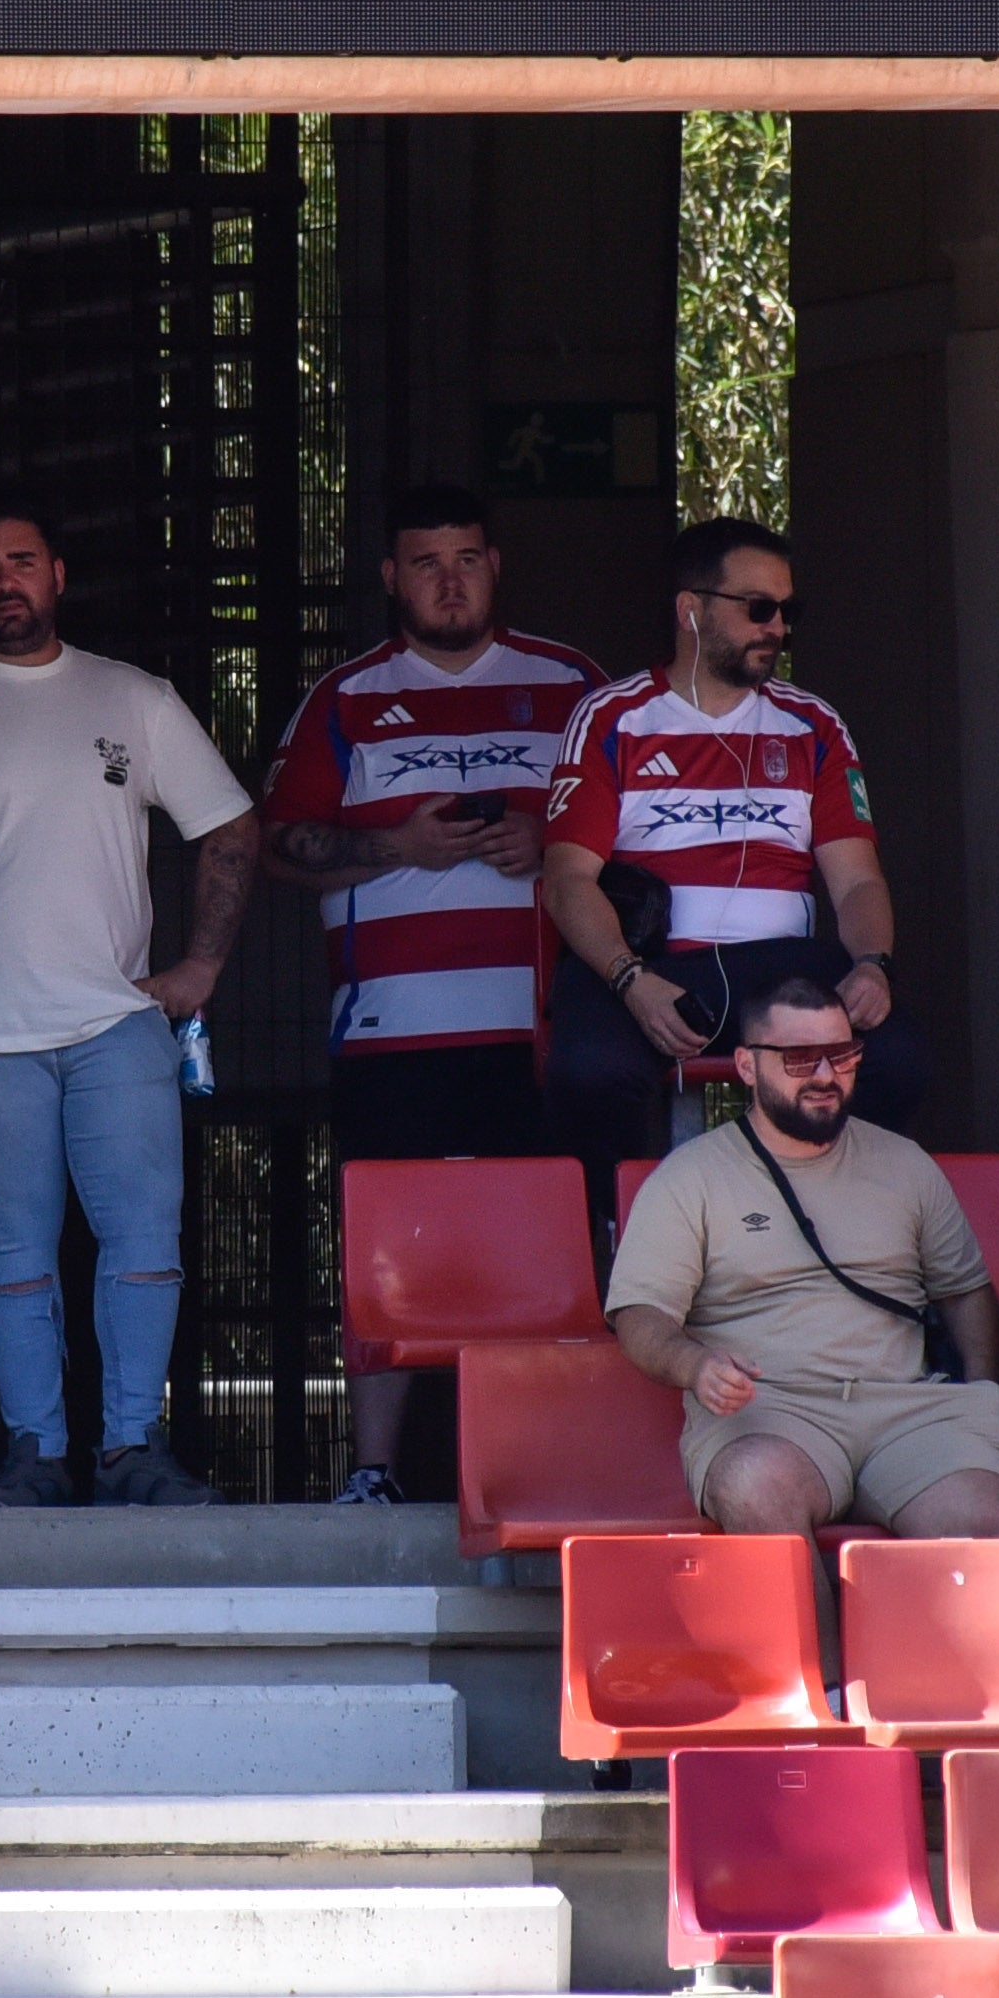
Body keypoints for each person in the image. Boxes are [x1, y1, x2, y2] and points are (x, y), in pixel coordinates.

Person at [0, 487, 261, 1508]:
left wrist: (198, 969)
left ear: (57, 577)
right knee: (10, 1253)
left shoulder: (131, 697)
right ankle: (32, 1453)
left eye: (24, 561)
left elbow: (228, 824)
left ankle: (131, 1449)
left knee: (142, 1241)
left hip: (115, 1023)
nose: (7, 579)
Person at [263, 483, 596, 1504]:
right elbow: (281, 844)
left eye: (464, 558)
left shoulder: (573, 685)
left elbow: (638, 830)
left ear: (494, 565)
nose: (447, 581)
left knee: (543, 1246)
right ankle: (372, 1470)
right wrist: (392, 844)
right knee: (388, 1245)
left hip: (542, 1028)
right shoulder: (346, 696)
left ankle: (541, 1468)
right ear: (388, 578)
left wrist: (548, 840)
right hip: (390, 1032)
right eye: (423, 562)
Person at [605, 970, 999, 1682]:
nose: (825, 1074)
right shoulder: (690, 1177)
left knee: (979, 1510)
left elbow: (962, 1291)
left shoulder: (904, 1164)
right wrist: (693, 1366)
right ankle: (823, 1702)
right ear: (746, 1066)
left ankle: (931, 1704)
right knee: (755, 1484)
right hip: (773, 1410)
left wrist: (984, 1393)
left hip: (905, 1409)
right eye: (799, 1059)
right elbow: (638, 1316)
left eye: (843, 1053)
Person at [541, 517, 917, 1198]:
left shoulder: (813, 724)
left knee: (896, 1062)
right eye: (758, 608)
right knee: (588, 1072)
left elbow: (858, 880)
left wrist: (872, 966)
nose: (777, 628)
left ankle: (840, 1229)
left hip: (781, 967)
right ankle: (621, 1245)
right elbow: (567, 881)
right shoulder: (610, 718)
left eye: (786, 610)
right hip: (645, 965)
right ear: (690, 611)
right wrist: (630, 979)